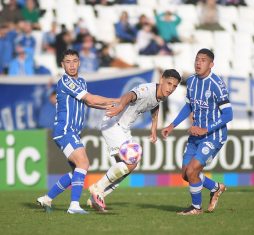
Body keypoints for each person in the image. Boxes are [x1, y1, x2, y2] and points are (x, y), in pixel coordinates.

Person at [87, 69, 182, 212]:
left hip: (124, 129)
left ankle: (96, 198)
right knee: (131, 162)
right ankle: (98, 189)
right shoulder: (146, 89)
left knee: (129, 168)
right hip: (113, 123)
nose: (171, 88)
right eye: (169, 83)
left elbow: (155, 105)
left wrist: (153, 127)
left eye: (174, 86)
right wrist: (119, 108)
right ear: (161, 79)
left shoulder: (161, 95)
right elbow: (129, 95)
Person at [36, 49, 118, 214]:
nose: (72, 65)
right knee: (84, 163)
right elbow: (90, 98)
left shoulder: (82, 81)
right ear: (62, 64)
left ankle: (47, 198)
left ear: (79, 62)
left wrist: (109, 106)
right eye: (68, 61)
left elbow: (89, 103)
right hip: (65, 130)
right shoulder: (65, 81)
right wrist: (118, 100)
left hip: (71, 131)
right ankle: (74, 206)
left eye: (75, 61)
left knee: (77, 171)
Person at [161, 48, 233, 215]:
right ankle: (216, 188)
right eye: (197, 59)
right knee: (186, 174)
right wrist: (172, 125)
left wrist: (205, 129)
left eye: (203, 60)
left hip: (213, 135)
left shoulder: (216, 84)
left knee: (193, 171)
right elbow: (188, 106)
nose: (198, 63)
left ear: (211, 64)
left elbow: (228, 114)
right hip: (195, 134)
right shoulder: (192, 81)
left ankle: (196, 208)